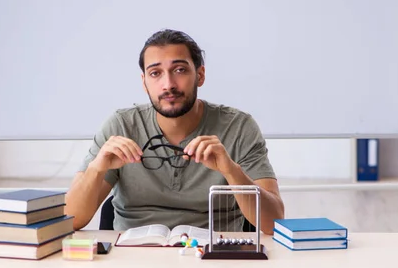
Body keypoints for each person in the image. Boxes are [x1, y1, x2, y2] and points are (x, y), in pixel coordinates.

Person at [65, 29, 284, 235]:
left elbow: (274, 223)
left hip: (214, 261)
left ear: (200, 75)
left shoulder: (239, 127)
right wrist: (96, 168)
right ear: (144, 82)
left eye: (179, 70)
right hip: (132, 259)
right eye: (155, 73)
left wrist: (231, 170)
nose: (168, 84)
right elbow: (71, 219)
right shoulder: (121, 126)